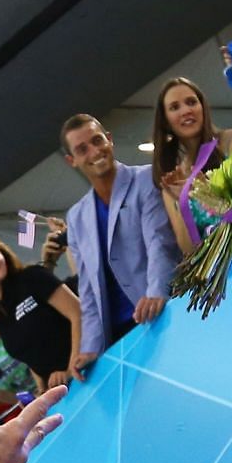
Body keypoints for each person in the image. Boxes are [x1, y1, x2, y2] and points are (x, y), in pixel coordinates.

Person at [61, 114, 179, 368]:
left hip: (160, 311)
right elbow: (89, 289)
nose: (94, 151)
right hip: (118, 339)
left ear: (110, 140)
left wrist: (157, 293)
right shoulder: (76, 217)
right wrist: (91, 347)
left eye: (97, 140)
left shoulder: (146, 178)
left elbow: (159, 241)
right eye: (82, 149)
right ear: (72, 161)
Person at [0, 234, 82, 392]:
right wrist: (41, 390)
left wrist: (71, 368)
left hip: (85, 370)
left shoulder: (32, 277)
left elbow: (78, 314)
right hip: (62, 389)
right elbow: (29, 352)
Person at [150, 77, 232, 256]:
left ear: (203, 107)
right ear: (166, 121)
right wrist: (182, 201)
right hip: (220, 272)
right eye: (175, 107)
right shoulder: (172, 181)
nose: (186, 110)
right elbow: (189, 249)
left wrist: (204, 192)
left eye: (191, 102)